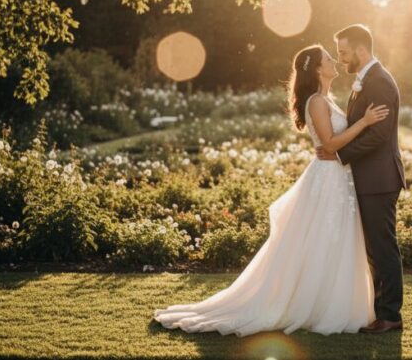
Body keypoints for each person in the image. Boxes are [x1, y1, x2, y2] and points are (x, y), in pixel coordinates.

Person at [152, 43, 389, 336]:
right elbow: (328, 144)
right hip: (328, 178)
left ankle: (329, 302)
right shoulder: (316, 101)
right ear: (317, 68)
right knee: (323, 240)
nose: (334, 61)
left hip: (338, 177)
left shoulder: (327, 99)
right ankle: (316, 306)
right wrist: (365, 122)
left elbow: (334, 143)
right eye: (329, 58)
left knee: (331, 241)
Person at [316, 23, 407, 334]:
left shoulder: (379, 82)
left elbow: (379, 135)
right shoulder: (366, 80)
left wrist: (341, 155)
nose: (341, 59)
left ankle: (391, 315)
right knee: (374, 249)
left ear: (360, 50)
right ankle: (382, 311)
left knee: (383, 247)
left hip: (379, 178)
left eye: (343, 53)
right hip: (370, 178)